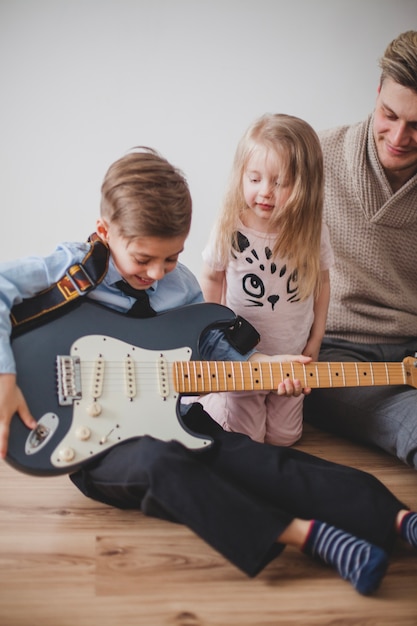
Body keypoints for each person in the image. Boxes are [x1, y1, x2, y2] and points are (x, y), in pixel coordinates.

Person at [1, 147, 417, 597]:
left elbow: (210, 346)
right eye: (143, 259)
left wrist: (263, 367)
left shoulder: (180, 285)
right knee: (160, 464)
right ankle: (313, 538)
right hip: (96, 445)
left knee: (259, 460)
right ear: (106, 232)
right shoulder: (72, 266)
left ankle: (396, 518)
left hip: (171, 417)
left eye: (171, 257)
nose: (157, 273)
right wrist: (5, 379)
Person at [303, 30, 417, 469]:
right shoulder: (315, 155)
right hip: (335, 351)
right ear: (377, 92)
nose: (399, 136)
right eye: (389, 114)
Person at [198, 113, 333, 445]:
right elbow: (212, 277)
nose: (265, 192)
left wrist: (315, 341)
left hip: (292, 359)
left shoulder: (312, 232)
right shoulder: (231, 227)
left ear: (304, 185)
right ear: (242, 176)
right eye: (255, 178)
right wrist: (207, 340)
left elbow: (322, 285)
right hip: (243, 358)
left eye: (280, 182)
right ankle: (208, 400)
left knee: (285, 438)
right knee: (249, 439)